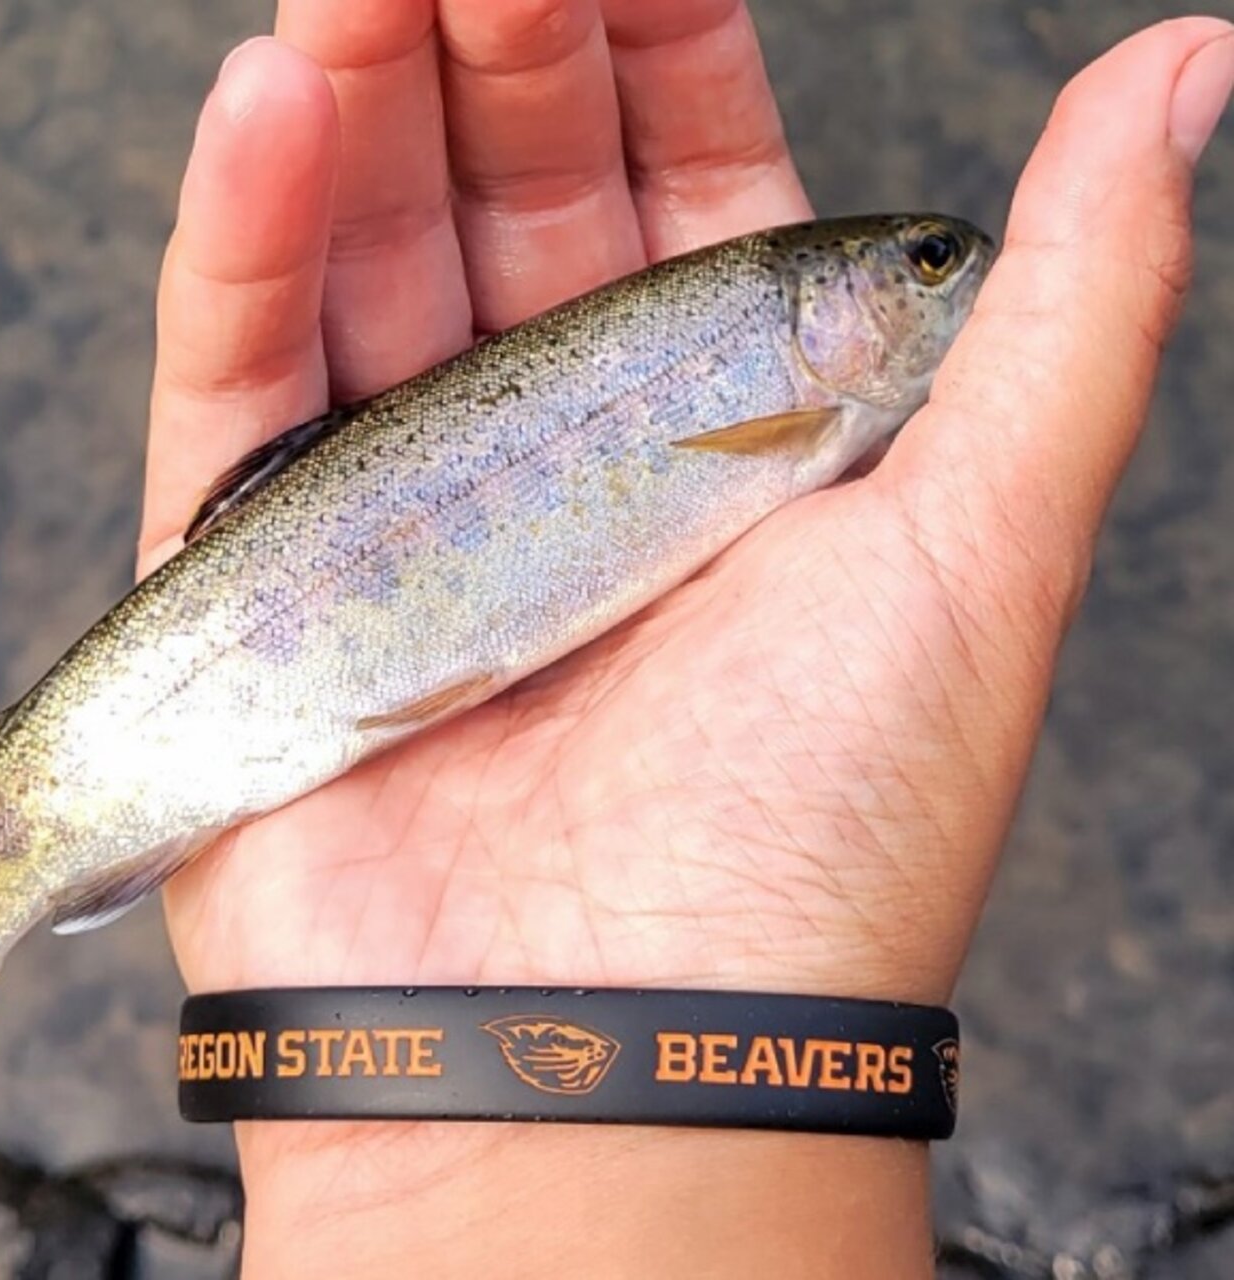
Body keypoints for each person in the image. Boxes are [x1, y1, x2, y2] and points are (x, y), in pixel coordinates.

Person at [137, 4, 1233, 1275]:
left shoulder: (815, 399)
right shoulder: (803, 394)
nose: (955, 273)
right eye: (927, 263)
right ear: (825, 301)